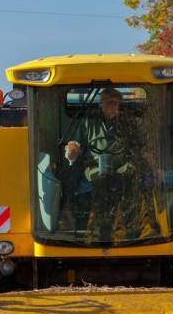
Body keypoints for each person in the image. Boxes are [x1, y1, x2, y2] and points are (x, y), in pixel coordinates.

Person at [57, 87, 155, 239]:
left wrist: (152, 164)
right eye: (109, 102)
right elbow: (76, 143)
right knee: (100, 180)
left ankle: (131, 228)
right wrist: (72, 149)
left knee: (133, 175)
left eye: (115, 103)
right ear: (101, 104)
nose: (112, 106)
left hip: (122, 165)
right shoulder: (88, 121)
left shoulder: (127, 122)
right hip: (95, 166)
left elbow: (140, 146)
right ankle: (104, 228)